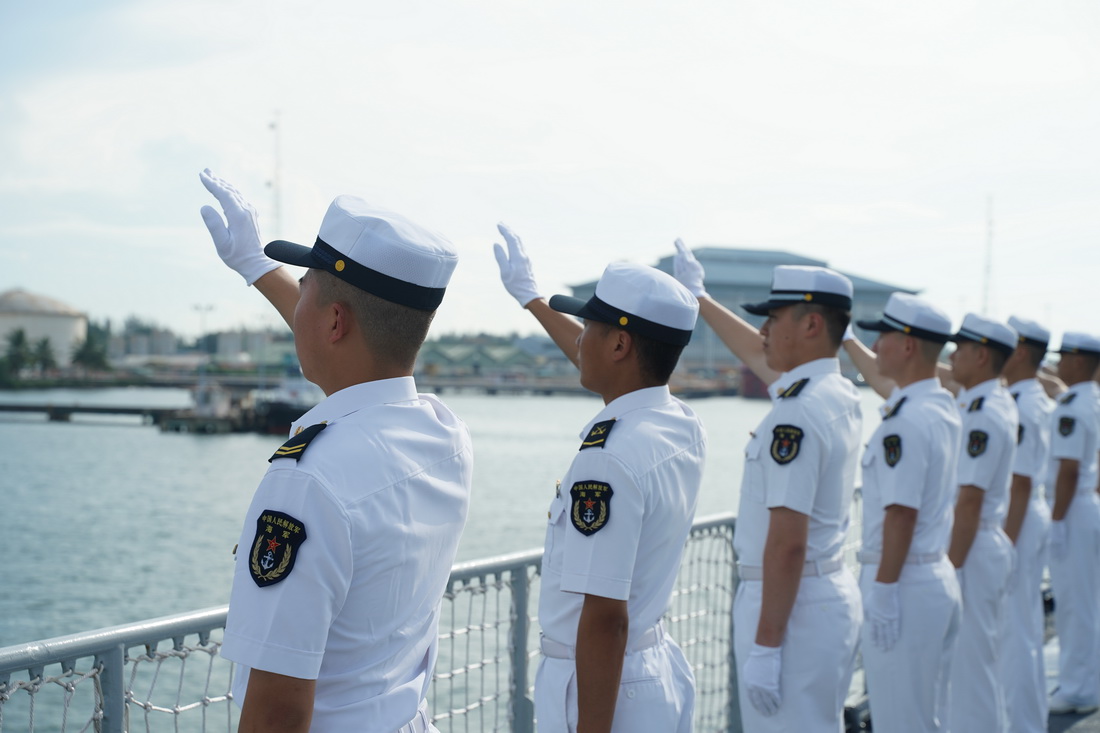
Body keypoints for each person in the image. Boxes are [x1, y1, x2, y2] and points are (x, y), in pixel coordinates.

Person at [199, 170, 473, 733]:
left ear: (334, 321)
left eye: (303, 290)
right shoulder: (445, 437)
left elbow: (277, 708)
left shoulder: (308, 482)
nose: (295, 303)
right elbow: (353, 348)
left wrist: (258, 267)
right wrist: (256, 266)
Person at [493, 225, 704, 733]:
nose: (580, 338)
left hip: (601, 691)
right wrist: (532, 300)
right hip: (646, 671)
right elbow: (613, 371)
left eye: (590, 328)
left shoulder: (607, 457)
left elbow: (605, 617)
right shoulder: (676, 423)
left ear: (621, 344)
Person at [673, 243, 861, 732]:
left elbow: (787, 544)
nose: (763, 329)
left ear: (811, 326)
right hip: (820, 597)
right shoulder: (833, 390)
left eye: (774, 318)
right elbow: (763, 357)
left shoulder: (797, 412)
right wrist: (701, 297)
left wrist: (768, 645)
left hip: (790, 609)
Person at [843, 293, 963, 732]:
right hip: (933, 576)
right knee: (929, 715)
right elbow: (883, 380)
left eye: (885, 335)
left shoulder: (905, 422)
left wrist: (885, 590)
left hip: (903, 582)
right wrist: (850, 341)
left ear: (908, 346)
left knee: (901, 720)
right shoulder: (938, 406)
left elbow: (900, 513)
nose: (878, 344)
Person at [943, 314, 1018, 733]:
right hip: (975, 543)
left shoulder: (985, 413)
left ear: (982, 354)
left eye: (960, 348)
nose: (952, 355)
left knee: (971, 674)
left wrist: (948, 572)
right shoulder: (982, 401)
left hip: (969, 547)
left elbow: (969, 502)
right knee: (973, 669)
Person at [999, 315, 1055, 733]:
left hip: (1016, 519)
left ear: (1019, 352)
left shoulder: (1020, 405)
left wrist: (1003, 547)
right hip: (1030, 516)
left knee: (1013, 633)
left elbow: (1017, 483)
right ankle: (1028, 720)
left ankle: (1019, 724)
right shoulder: (1032, 398)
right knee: (1026, 627)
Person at [1045, 332, 1100, 715]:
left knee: (1074, 605)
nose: (1059, 363)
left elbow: (1067, 469)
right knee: (1086, 602)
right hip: (1086, 506)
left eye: (1064, 357)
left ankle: (1079, 688)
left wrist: (1058, 520)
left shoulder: (1071, 406)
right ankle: (1086, 681)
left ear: (1078, 362)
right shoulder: (1091, 400)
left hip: (1072, 509)